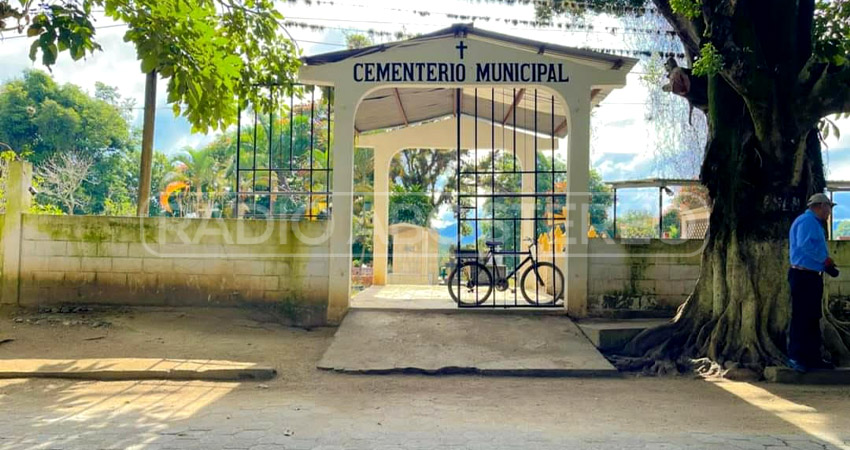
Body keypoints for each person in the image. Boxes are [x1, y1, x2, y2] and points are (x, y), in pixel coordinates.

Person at [787, 193, 840, 373]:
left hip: (811, 274)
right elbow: (805, 245)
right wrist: (824, 260)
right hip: (804, 275)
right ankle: (797, 357)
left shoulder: (813, 223)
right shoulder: (807, 221)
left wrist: (826, 266)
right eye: (828, 207)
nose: (829, 212)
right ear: (820, 206)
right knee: (802, 316)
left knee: (812, 317)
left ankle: (812, 357)